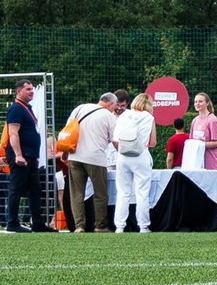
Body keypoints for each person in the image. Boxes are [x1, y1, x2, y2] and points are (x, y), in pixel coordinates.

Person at [68, 93, 119, 233]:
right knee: (100, 193)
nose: (114, 109)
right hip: (96, 158)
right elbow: (115, 140)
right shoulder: (109, 116)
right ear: (110, 103)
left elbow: (68, 130)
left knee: (77, 193)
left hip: (75, 156)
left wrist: (66, 152)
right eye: (114, 106)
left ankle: (79, 226)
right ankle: (100, 225)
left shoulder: (79, 109)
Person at [2, 80, 48, 233]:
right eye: (28, 89)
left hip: (29, 156)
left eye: (32, 89)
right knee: (16, 187)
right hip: (21, 156)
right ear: (18, 91)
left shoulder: (27, 109)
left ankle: (38, 223)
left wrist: (33, 156)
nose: (31, 92)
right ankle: (12, 222)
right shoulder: (16, 109)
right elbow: (13, 133)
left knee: (35, 189)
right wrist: (18, 155)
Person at [113, 92, 158, 232]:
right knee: (142, 192)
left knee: (123, 192)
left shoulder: (124, 115)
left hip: (123, 156)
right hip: (141, 156)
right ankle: (143, 226)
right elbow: (153, 142)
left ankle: (119, 226)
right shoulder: (149, 118)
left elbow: (115, 139)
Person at [186, 93, 217, 170]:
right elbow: (192, 140)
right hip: (196, 162)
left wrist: (201, 145)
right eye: (195, 102)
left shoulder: (212, 120)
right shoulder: (195, 120)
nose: (197, 104)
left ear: (207, 103)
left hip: (210, 163)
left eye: (200, 101)